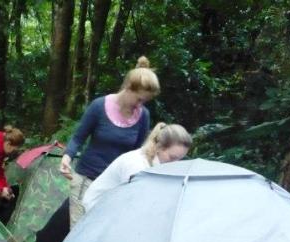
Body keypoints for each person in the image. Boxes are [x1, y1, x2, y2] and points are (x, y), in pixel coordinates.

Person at [60, 56, 160, 226]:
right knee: (80, 232)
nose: (140, 105)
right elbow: (78, 137)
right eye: (139, 99)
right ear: (128, 88)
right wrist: (67, 157)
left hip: (116, 186)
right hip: (87, 180)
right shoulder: (99, 106)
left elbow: (138, 153)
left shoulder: (143, 115)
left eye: (145, 101)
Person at [81, 122, 192, 214]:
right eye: (172, 157)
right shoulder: (136, 165)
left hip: (110, 211)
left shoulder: (155, 163)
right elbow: (134, 205)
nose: (175, 163)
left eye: (179, 159)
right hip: (92, 211)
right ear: (159, 147)